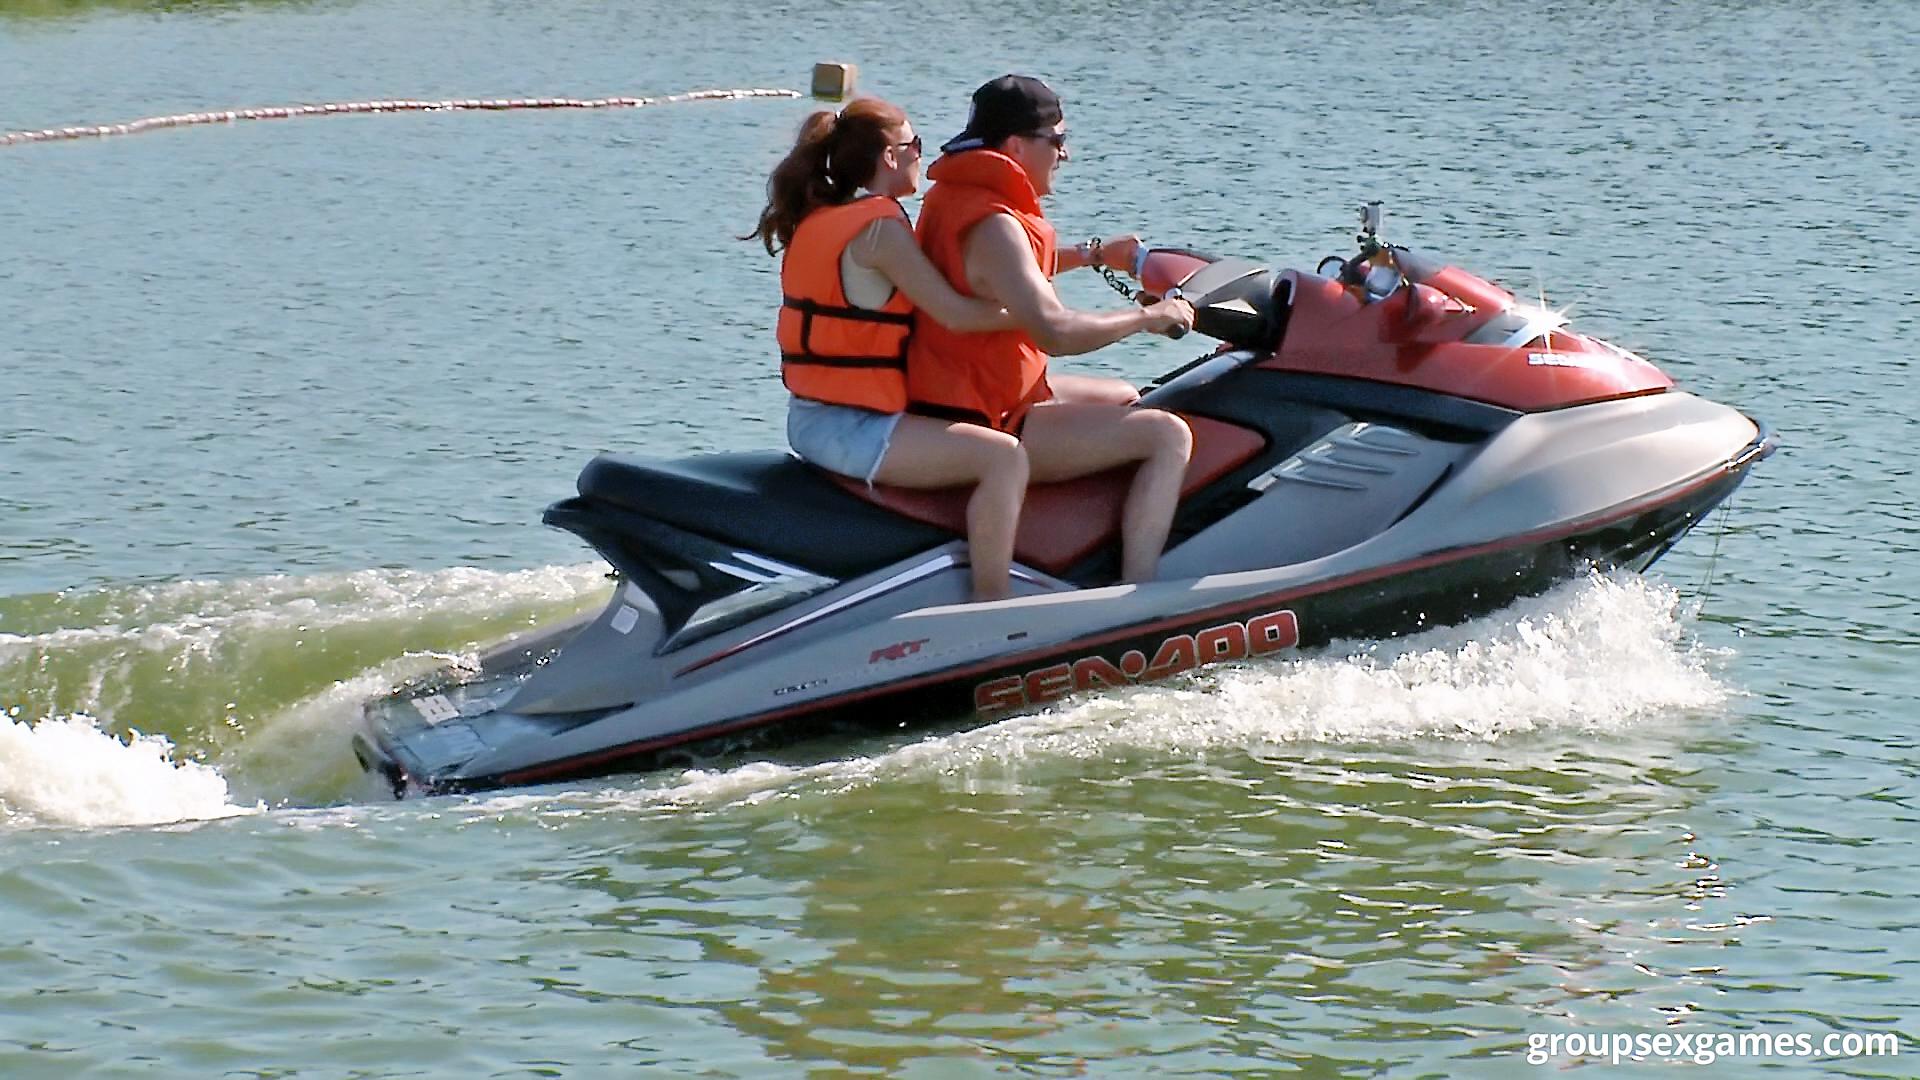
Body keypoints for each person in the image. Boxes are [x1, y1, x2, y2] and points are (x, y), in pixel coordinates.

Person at [908, 75, 1198, 585]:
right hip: (988, 417)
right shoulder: (995, 224)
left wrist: (1092, 256)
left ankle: (1073, 551)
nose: (1066, 154)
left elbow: (1004, 272)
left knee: (1128, 395)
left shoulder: (958, 197)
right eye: (1058, 140)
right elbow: (1056, 333)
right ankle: (1139, 594)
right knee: (1168, 434)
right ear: (1016, 146)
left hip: (977, 389)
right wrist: (1150, 318)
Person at [748, 98, 1030, 602]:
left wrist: (1086, 257)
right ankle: (994, 607)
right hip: (849, 427)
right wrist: (1038, 315)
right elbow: (957, 313)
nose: (923, 154)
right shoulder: (880, 232)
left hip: (821, 415)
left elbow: (959, 276)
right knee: (1003, 459)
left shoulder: (833, 217)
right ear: (889, 156)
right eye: (914, 144)